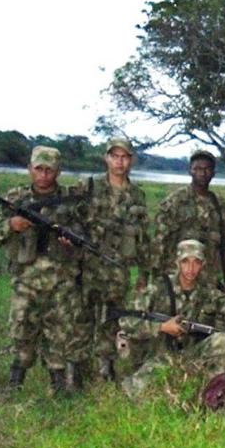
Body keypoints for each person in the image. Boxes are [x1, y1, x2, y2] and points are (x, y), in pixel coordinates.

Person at [120, 240, 225, 399]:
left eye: (196, 262)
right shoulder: (157, 288)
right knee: (133, 394)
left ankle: (209, 392)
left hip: (192, 357)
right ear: (177, 263)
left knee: (222, 340)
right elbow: (127, 322)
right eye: (185, 262)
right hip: (160, 357)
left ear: (202, 265)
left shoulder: (207, 292)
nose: (191, 268)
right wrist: (161, 327)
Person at [0, 146, 88, 394]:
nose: (44, 175)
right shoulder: (15, 199)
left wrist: (72, 242)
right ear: (30, 169)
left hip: (61, 282)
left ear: (58, 171)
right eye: (39, 169)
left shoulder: (70, 201)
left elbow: (83, 239)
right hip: (26, 281)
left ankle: (58, 384)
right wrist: (12, 224)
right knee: (22, 330)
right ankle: (15, 383)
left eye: (50, 170)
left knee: (60, 334)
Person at [78, 137, 151, 382]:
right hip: (88, 266)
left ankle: (106, 367)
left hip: (119, 270)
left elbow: (142, 237)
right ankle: (77, 367)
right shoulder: (89, 186)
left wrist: (143, 273)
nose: (120, 162)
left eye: (125, 157)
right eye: (115, 156)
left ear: (131, 160)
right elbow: (72, 222)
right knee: (82, 316)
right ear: (106, 158)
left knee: (111, 318)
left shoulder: (137, 195)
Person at [150, 150, 225, 294]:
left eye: (207, 169)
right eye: (197, 169)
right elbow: (160, 242)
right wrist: (156, 277)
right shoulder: (176, 201)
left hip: (208, 278)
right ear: (190, 171)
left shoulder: (219, 205)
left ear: (213, 173)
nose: (202, 173)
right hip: (177, 276)